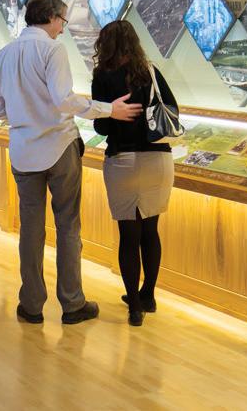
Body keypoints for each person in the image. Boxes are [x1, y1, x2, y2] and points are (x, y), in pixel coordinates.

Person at [0, 0, 142, 326]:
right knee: (68, 226)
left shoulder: (5, 53)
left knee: (30, 229)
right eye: (62, 21)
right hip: (59, 146)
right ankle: (72, 303)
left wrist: (25, 117)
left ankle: (31, 304)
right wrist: (108, 109)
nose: (62, 28)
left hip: (23, 151)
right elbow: (64, 100)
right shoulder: (52, 50)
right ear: (50, 17)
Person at [90, 19, 178, 327]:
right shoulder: (149, 71)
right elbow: (172, 108)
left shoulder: (102, 75)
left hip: (123, 160)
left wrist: (113, 114)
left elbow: (101, 126)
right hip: (158, 160)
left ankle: (134, 308)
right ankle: (148, 295)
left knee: (129, 236)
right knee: (151, 231)